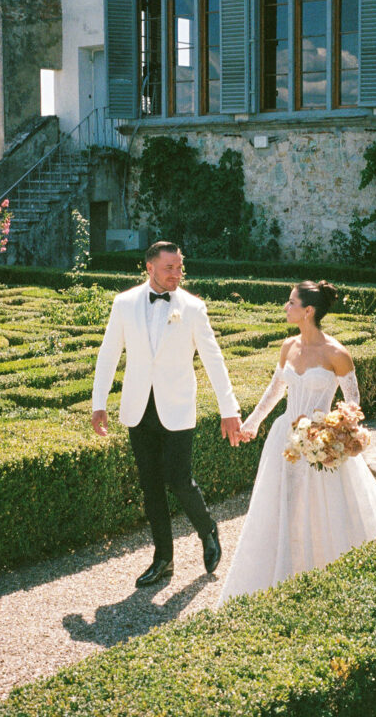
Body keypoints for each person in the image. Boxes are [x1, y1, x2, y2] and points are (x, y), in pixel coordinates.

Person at [218, 280, 376, 605]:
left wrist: (334, 435)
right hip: (284, 439)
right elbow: (275, 391)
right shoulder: (288, 346)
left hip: (320, 443)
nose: (286, 308)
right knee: (282, 504)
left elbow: (353, 405)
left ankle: (325, 578)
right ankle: (285, 573)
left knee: (323, 508)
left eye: (291, 303)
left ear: (308, 311)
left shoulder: (337, 353)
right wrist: (252, 424)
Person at [91, 241, 242, 588]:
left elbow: (213, 360)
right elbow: (109, 352)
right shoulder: (124, 303)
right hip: (138, 408)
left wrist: (228, 409)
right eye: (169, 268)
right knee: (150, 486)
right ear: (150, 268)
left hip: (176, 407)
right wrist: (99, 402)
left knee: (178, 478)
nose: (176, 274)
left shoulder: (193, 307)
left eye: (179, 267)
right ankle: (163, 560)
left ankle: (207, 529)